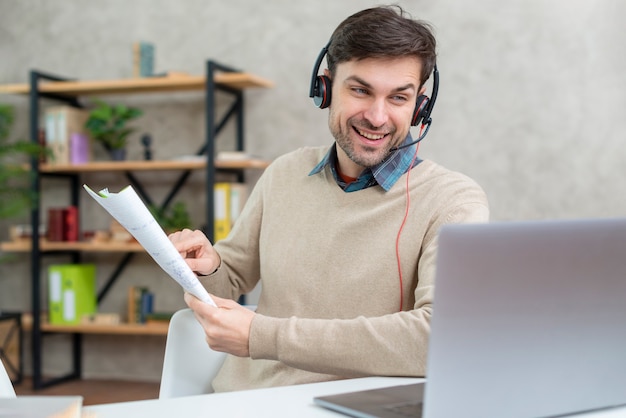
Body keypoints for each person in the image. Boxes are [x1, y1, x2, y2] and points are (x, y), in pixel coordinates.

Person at [169, 5, 489, 393]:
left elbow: (441, 337)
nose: (377, 116)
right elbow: (230, 280)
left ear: (420, 106)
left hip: (357, 407)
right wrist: (207, 267)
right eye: (360, 90)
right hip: (240, 401)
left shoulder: (453, 201)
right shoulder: (284, 173)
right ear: (325, 88)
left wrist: (264, 336)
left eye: (398, 98)